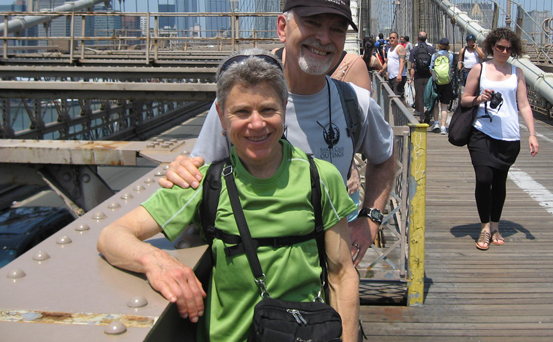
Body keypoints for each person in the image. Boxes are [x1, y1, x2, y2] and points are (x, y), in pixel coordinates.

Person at [97, 52, 359, 341]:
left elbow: (342, 274)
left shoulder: (321, 178)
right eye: (242, 112)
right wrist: (155, 262)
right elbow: (112, 236)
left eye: (268, 110)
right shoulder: (204, 183)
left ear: (284, 109)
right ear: (222, 116)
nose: (257, 124)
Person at [160, 0, 396, 266]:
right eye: (312, 22)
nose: (324, 38)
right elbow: (201, 172)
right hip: (250, 275)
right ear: (282, 27)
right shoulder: (240, 107)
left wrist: (369, 219)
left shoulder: (356, 103)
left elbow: (384, 157)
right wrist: (182, 169)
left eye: (336, 29)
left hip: (329, 274)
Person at [460, 28, 539, 251]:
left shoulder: (517, 72)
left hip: (509, 136)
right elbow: (465, 100)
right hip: (481, 132)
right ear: (491, 46)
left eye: (508, 48)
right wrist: (478, 98)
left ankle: (495, 225)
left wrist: (532, 134)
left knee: (500, 182)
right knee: (484, 179)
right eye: (499, 47)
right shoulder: (480, 69)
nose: (504, 51)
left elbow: (523, 105)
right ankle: (484, 226)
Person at [429, 38, 454, 134]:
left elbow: (431, 68)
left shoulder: (434, 55)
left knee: (436, 103)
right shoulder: (450, 55)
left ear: (439, 45)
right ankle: (443, 127)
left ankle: (436, 123)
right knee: (444, 106)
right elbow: (451, 68)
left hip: (436, 82)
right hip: (447, 83)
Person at [409, 31, 435, 123]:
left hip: (418, 76)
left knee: (420, 97)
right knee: (429, 96)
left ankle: (422, 117)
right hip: (429, 76)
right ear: (426, 38)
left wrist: (411, 78)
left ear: (417, 38)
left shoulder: (414, 50)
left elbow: (412, 66)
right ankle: (429, 113)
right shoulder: (431, 49)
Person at [381, 32, 407, 97]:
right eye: (390, 38)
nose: (392, 39)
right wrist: (381, 71)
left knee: (398, 97)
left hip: (398, 77)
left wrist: (399, 74)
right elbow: (387, 62)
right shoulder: (389, 50)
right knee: (393, 97)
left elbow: (402, 61)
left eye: (393, 38)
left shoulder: (400, 48)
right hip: (391, 77)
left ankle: (404, 107)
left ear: (397, 39)